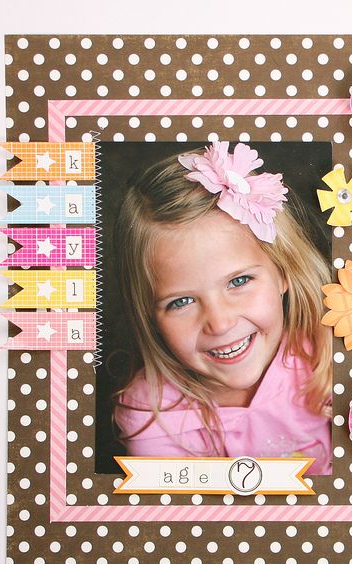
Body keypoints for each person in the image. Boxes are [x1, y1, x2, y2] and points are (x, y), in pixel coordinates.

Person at [113, 141, 332, 474]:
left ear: (284, 269)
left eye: (239, 282)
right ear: (149, 315)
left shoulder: (328, 357)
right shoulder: (151, 417)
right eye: (181, 302)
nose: (219, 322)